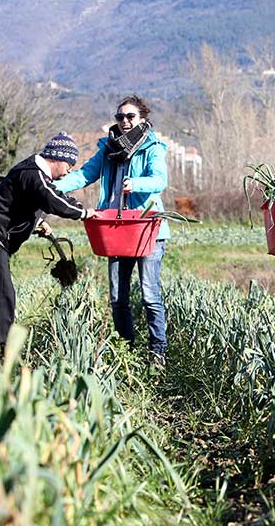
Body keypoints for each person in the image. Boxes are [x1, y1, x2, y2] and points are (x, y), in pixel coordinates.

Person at [55, 94, 170, 366]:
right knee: (118, 297)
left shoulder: (153, 147)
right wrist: (48, 188)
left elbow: (159, 180)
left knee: (149, 294)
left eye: (131, 116)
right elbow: (84, 175)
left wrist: (136, 184)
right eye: (120, 117)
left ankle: (158, 352)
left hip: (145, 230)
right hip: (116, 229)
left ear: (143, 119)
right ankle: (126, 350)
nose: (125, 121)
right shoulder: (108, 148)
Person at [0, 132, 95, 352]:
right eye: (69, 165)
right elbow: (52, 199)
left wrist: (37, 223)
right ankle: (2, 355)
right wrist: (84, 213)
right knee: (1, 296)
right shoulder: (34, 173)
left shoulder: (30, 172)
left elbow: (22, 203)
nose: (68, 171)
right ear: (58, 158)